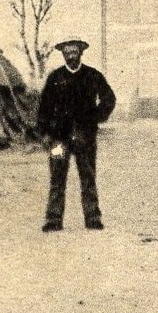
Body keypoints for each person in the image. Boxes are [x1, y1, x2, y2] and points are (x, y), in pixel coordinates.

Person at [37, 38, 117, 232]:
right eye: (67, 52)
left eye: (75, 51)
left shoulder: (92, 75)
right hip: (58, 139)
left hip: (85, 137)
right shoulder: (55, 77)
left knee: (88, 176)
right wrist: (45, 132)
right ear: (63, 54)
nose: (71, 55)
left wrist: (94, 118)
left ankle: (93, 218)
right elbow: (44, 108)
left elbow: (109, 98)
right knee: (57, 177)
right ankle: (53, 219)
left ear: (81, 53)